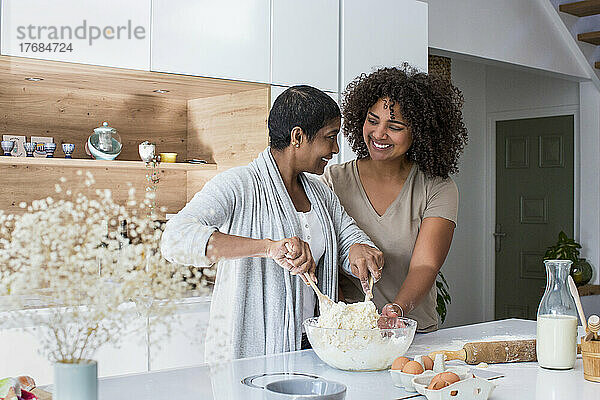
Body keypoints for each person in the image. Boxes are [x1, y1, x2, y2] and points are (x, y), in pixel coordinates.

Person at [160, 85, 384, 362]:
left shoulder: (320, 192)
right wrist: (268, 248)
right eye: (330, 138)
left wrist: (358, 248)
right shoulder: (239, 185)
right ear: (298, 137)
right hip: (250, 349)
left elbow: (347, 233)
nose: (335, 149)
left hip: (314, 347)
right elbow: (175, 238)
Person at [323, 65, 468, 332]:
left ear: (420, 132)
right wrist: (345, 317)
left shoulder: (437, 188)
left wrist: (396, 311)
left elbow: (426, 264)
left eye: (395, 126)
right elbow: (324, 259)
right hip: (350, 334)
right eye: (373, 120)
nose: (379, 134)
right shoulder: (332, 181)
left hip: (412, 332)